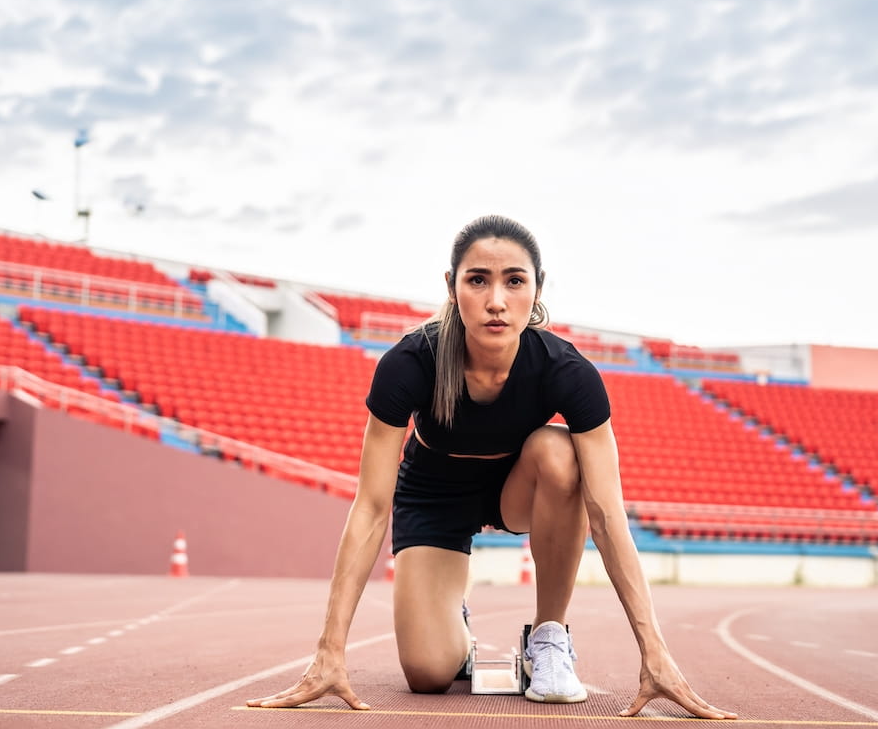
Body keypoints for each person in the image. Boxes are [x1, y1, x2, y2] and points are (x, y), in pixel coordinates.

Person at [248, 215, 736, 719]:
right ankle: (452, 620)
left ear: (538, 289)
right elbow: (371, 507)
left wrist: (653, 651)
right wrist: (330, 651)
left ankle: (547, 641)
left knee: (559, 451)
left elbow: (608, 514)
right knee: (429, 674)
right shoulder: (410, 363)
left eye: (514, 281)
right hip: (433, 493)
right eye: (477, 280)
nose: (496, 301)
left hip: (516, 487)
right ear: (452, 286)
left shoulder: (567, 372)